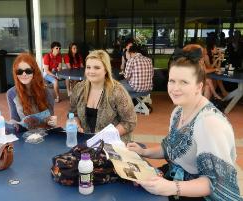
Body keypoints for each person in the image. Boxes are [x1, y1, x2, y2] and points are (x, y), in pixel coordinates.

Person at [127, 48, 241, 200]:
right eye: (172, 81)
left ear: (199, 86)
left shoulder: (209, 123)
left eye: (184, 82)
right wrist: (144, 152)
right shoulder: (178, 111)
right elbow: (169, 147)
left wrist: (170, 188)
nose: (175, 88)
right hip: (173, 178)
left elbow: (215, 183)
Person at [70, 50, 137, 143]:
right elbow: (73, 114)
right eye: (88, 67)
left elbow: (130, 122)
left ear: (106, 70)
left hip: (113, 144)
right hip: (86, 142)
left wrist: (106, 136)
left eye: (97, 68)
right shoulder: (79, 88)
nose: (91, 71)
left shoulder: (117, 91)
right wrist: (76, 125)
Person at [7, 53, 55, 132]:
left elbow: (51, 120)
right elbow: (14, 118)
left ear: (34, 71)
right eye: (19, 71)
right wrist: (11, 125)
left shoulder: (47, 92)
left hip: (45, 135)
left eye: (28, 71)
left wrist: (52, 122)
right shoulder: (11, 93)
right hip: (24, 136)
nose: (24, 74)